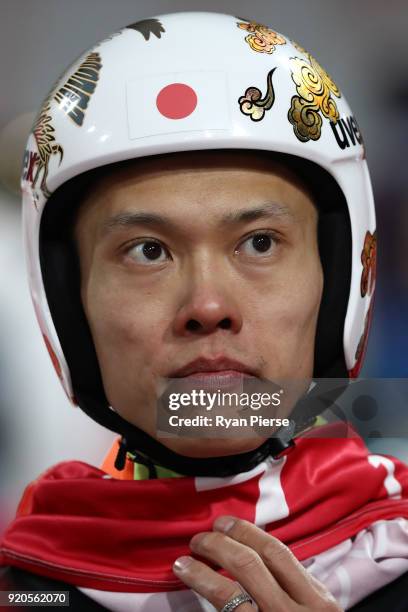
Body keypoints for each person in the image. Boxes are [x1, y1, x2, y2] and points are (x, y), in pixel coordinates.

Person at [1, 11, 408, 611]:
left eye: (260, 243)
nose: (208, 306)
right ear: (69, 304)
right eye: (148, 252)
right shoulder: (24, 590)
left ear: (339, 277)